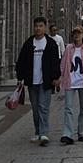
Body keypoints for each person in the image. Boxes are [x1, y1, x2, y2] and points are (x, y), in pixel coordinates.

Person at [15, 16, 61, 146]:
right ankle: (38, 132)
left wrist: (56, 77)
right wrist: (20, 78)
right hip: (32, 81)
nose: (38, 28)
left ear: (45, 27)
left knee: (43, 107)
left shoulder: (51, 44)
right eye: (36, 26)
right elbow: (21, 62)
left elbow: (55, 62)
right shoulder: (29, 44)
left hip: (45, 81)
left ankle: (44, 133)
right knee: (35, 109)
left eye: (41, 26)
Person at [59, 25, 83, 145]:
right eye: (75, 33)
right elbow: (63, 64)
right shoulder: (69, 48)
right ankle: (68, 134)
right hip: (70, 81)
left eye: (79, 33)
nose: (77, 35)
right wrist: (60, 78)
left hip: (82, 82)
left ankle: (82, 132)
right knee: (68, 108)